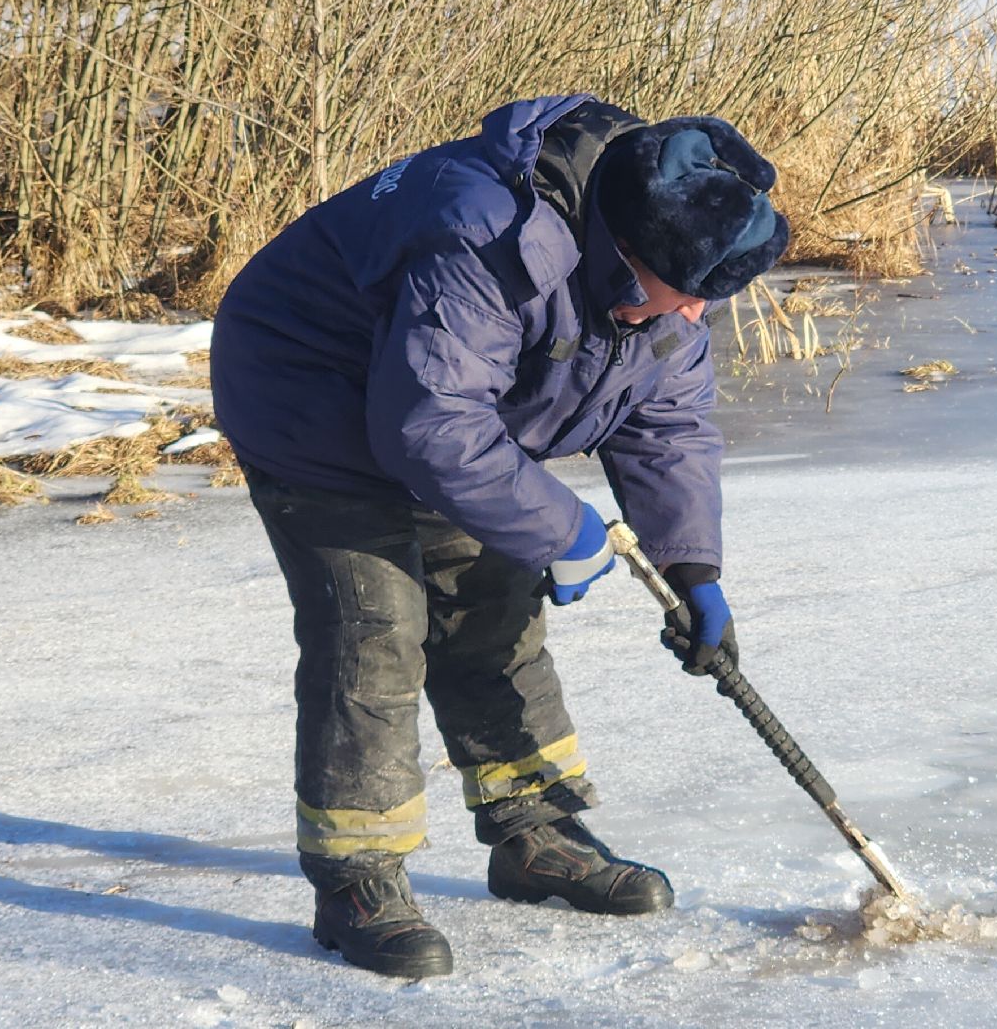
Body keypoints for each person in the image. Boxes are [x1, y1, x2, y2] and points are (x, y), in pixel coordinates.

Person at [209, 94, 786, 978]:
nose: (689, 318)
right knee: (374, 630)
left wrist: (691, 564)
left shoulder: (677, 265)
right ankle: (356, 877)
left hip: (452, 408)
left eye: (702, 303)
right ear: (628, 258)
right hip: (311, 395)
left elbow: (666, 424)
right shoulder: (483, 233)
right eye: (676, 300)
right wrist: (563, 527)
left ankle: (533, 834)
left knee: (494, 605)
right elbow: (432, 425)